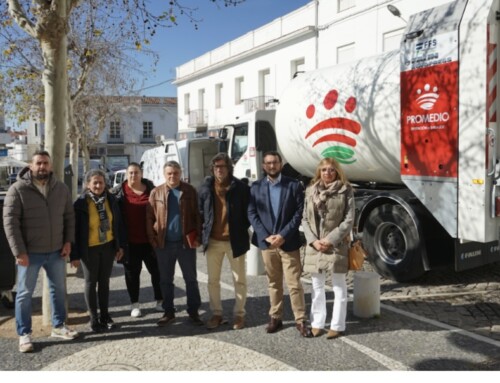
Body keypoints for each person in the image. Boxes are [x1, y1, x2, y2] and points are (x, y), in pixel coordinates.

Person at [2, 150, 79, 353]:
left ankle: (59, 326)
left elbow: (69, 217)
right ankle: (24, 334)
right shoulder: (17, 190)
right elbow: (10, 223)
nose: (42, 167)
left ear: (51, 166)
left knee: (59, 290)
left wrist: (68, 242)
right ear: (30, 165)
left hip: (56, 251)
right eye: (38, 163)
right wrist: (19, 251)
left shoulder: (60, 189)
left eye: (45, 163)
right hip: (29, 253)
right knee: (24, 294)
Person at [248, 151, 311, 337]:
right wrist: (266, 236)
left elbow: (299, 213)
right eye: (268, 163)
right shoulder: (256, 187)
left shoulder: (293, 185)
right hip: (267, 244)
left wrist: (283, 235)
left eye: (275, 162)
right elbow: (252, 213)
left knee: (294, 284)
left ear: (280, 164)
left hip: (288, 242)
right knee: (273, 283)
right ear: (263, 166)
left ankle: (300, 320)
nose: (272, 166)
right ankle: (275, 317)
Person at [302, 157, 354, 339]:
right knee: (317, 286)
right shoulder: (310, 190)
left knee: (339, 285)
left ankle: (337, 325)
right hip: (315, 245)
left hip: (336, 245)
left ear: (337, 171)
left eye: (331, 170)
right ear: (319, 172)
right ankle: (317, 323)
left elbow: (349, 219)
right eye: (324, 170)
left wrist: (330, 239)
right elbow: (305, 219)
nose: (327, 173)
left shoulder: (345, 190)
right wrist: (314, 241)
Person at [146, 160, 203, 326]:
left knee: (191, 279)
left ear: (180, 173)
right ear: (164, 175)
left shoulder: (189, 191)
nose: (172, 176)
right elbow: (149, 218)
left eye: (175, 173)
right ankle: (168, 312)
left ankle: (193, 312)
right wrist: (153, 239)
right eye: (169, 173)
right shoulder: (156, 193)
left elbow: (197, 216)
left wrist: (198, 237)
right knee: (165, 280)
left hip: (186, 243)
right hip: (164, 244)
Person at [198, 153, 250, 330]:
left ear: (229, 168)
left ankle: (239, 315)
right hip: (213, 241)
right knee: (213, 280)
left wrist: (240, 229)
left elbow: (248, 213)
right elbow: (200, 214)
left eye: (222, 166)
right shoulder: (206, 188)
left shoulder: (240, 188)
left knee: (239, 280)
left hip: (235, 241)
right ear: (212, 169)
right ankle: (217, 314)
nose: (219, 170)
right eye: (216, 167)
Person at [71, 169, 125, 333]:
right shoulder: (80, 204)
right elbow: (74, 231)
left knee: (104, 282)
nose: (98, 185)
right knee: (90, 282)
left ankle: (105, 316)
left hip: (107, 246)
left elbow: (118, 224)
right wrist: (74, 255)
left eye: (101, 182)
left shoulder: (111, 200)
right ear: (87, 184)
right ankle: (94, 319)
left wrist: (119, 246)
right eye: (94, 182)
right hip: (89, 249)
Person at [113, 162, 163, 318]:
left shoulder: (152, 190)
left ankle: (160, 301)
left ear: (141, 174)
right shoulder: (118, 193)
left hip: (150, 241)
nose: (133, 175)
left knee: (157, 272)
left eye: (136, 172)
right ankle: (135, 304)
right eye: (130, 173)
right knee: (132, 275)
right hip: (130, 243)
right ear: (126, 175)